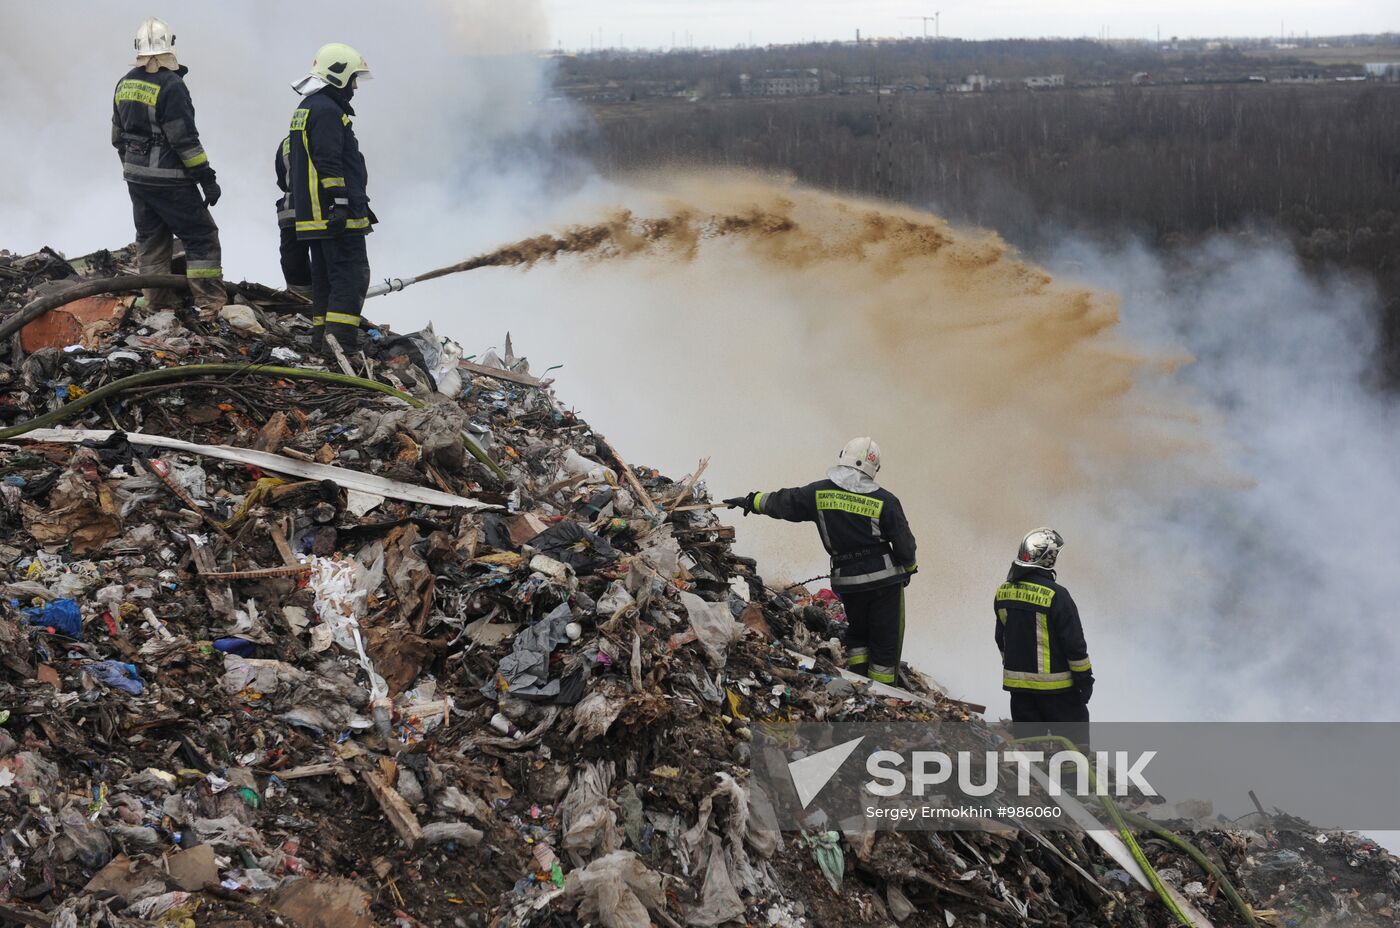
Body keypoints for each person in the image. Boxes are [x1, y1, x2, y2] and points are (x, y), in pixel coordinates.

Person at [725, 438, 917, 684]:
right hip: (884, 583)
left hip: (848, 581)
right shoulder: (886, 501)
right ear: (874, 468)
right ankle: (884, 692)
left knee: (858, 633)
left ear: (843, 456)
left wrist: (751, 500)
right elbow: (905, 544)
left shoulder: (819, 492)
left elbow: (784, 502)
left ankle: (859, 684)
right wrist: (909, 567)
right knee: (885, 640)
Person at [111, 17, 224, 319]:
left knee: (151, 239)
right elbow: (184, 140)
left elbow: (116, 137)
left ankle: (158, 304)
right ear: (170, 46)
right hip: (170, 179)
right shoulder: (172, 85)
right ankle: (209, 304)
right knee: (201, 236)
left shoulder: (125, 82)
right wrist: (207, 179)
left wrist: (134, 170)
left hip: (136, 178)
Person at [287, 43, 375, 353]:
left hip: (316, 217)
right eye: (353, 79)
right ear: (337, 75)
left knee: (325, 284)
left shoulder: (308, 108)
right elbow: (329, 160)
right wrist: (339, 202)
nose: (354, 86)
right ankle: (340, 350)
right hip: (336, 217)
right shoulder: (326, 111)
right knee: (350, 280)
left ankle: (322, 345)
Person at [994, 528, 1094, 734]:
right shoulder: (1057, 595)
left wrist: (1016, 668)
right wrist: (1084, 680)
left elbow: (1001, 639)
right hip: (1058, 691)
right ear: (1048, 558)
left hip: (1019, 690)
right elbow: (1074, 644)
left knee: (1030, 747)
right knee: (1073, 748)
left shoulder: (1004, 591)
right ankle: (1069, 767)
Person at [274, 136, 313, 300]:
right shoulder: (331, 133)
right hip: (325, 216)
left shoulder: (287, 142)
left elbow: (282, 181)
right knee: (330, 266)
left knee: (294, 266)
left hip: (291, 214)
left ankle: (303, 303)